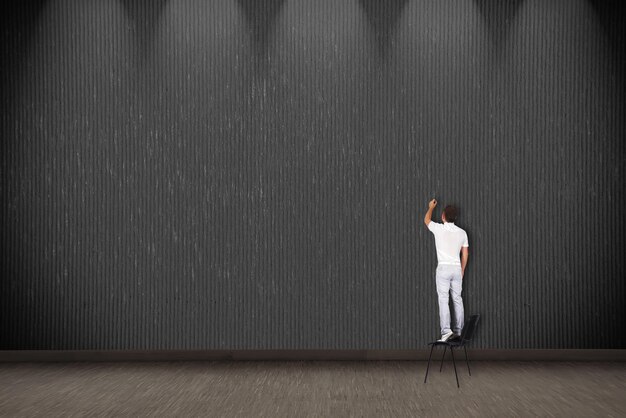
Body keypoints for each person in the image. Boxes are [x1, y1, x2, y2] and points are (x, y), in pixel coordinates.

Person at [424, 199, 469, 342]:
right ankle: (459, 331)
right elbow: (465, 253)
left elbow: (426, 220)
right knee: (457, 299)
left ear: (443, 216)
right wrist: (462, 269)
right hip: (456, 268)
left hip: (443, 268)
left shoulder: (438, 228)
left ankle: (446, 332)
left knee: (443, 300)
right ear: (455, 218)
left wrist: (431, 207)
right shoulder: (462, 233)